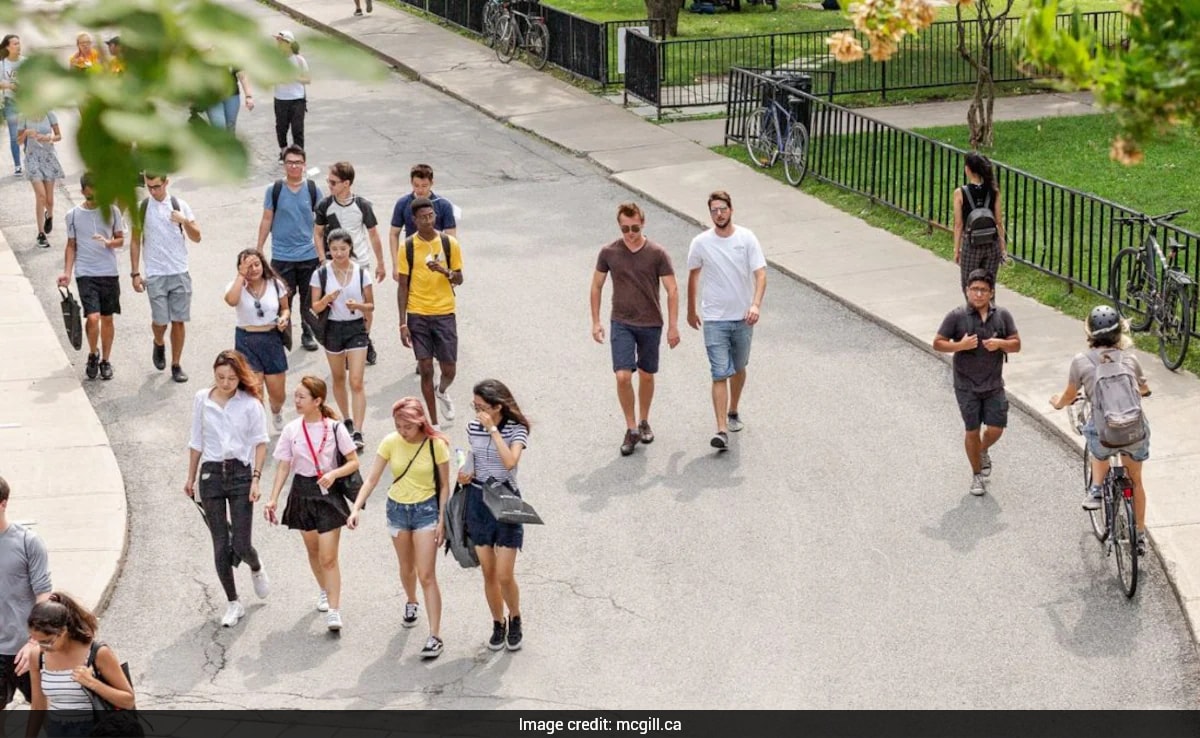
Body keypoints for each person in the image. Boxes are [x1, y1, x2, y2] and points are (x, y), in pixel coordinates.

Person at [347, 398, 451, 659]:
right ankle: (411, 601)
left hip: (426, 510)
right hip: (397, 510)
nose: (402, 431)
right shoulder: (390, 442)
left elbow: (445, 486)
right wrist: (356, 507)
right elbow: (372, 478)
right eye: (398, 425)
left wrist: (442, 519)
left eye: (407, 426)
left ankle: (435, 635)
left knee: (427, 573)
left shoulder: (436, 445)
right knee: (407, 568)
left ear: (419, 422)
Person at [1050, 305, 1152, 554]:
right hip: (1133, 430)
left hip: (1106, 432)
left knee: (1097, 439)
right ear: (1120, 332)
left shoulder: (1081, 362)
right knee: (1136, 480)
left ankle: (1096, 489)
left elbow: (1069, 395)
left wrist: (1057, 403)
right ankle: (1139, 536)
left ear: (1090, 334)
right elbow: (1144, 390)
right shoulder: (1131, 359)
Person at [264, 376, 360, 632]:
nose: (296, 401)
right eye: (295, 396)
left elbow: (353, 461)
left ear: (317, 401)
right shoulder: (291, 429)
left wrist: (333, 474)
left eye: (301, 397)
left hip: (328, 493)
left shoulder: (335, 428)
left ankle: (334, 609)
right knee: (314, 551)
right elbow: (284, 464)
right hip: (302, 491)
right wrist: (273, 497)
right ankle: (323, 589)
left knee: (329, 557)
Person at [186, 351, 273, 628]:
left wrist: (256, 479)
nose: (225, 383)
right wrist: (190, 478)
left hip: (240, 474)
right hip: (211, 473)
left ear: (240, 376)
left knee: (242, 543)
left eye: (232, 378)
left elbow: (260, 443)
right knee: (221, 544)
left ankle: (256, 566)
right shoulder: (202, 398)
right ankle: (233, 601)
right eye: (221, 377)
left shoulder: (250, 404)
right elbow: (196, 440)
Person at [590, 202, 680, 456]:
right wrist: (595, 321)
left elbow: (672, 289)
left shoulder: (657, 253)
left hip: (651, 322)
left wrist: (673, 326)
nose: (630, 233)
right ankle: (631, 429)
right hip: (622, 322)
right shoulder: (609, 252)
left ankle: (644, 420)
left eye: (635, 227)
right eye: (625, 228)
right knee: (623, 376)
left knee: (647, 375)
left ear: (643, 223)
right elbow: (596, 286)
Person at [685, 190, 766, 452]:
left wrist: (755, 304)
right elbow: (694, 275)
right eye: (714, 210)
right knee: (720, 372)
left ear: (731, 209)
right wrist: (690, 309)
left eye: (722, 209)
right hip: (714, 319)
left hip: (742, 317)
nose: (718, 214)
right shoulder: (700, 243)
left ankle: (733, 410)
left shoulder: (746, 238)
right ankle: (721, 429)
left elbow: (761, 275)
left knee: (739, 367)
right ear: (709, 213)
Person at [933, 268, 1021, 497]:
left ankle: (981, 451)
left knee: (996, 428)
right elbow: (938, 343)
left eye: (983, 290)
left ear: (991, 293)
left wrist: (1000, 343)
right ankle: (977, 474)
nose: (978, 294)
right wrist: (959, 346)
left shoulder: (1002, 316)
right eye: (974, 290)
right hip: (966, 385)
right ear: (966, 291)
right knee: (971, 430)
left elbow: (1017, 344)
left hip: (993, 384)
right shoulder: (956, 316)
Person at [462, 379, 530, 652]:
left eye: (481, 407)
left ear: (497, 406)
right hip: (478, 500)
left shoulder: (516, 429)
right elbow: (473, 457)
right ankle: (497, 622)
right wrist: (465, 471)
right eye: (474, 406)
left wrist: (492, 430)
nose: (477, 412)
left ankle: (515, 617)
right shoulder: (472, 427)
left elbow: (510, 462)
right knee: (488, 572)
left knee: (504, 574)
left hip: (505, 499)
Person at [26, 592, 135, 738]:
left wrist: (92, 683)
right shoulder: (37, 656)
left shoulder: (97, 653)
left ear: (63, 631)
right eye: (37, 641)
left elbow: (128, 700)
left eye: (47, 641)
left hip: (95, 730)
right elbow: (38, 706)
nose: (43, 647)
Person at [396, 197, 464, 428]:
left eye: (431, 216)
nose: (428, 221)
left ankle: (442, 391)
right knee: (425, 368)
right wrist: (402, 322)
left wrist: (444, 271)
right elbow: (402, 285)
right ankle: (433, 423)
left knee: (449, 369)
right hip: (418, 313)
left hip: (444, 312)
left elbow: (460, 278)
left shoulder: (449, 243)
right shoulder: (407, 247)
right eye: (423, 218)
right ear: (414, 221)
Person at [130, 173, 201, 383]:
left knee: (178, 320)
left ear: (166, 183)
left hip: (179, 271)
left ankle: (176, 364)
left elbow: (197, 236)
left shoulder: (180, 205)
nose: (153, 191)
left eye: (157, 186)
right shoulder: (142, 208)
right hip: (155, 273)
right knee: (160, 321)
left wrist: (185, 221)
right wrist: (135, 273)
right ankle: (159, 342)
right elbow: (135, 241)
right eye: (149, 187)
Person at [315, 161, 386, 365]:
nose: (329, 185)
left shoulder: (362, 205)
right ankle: (345, 344)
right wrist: (322, 259)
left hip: (360, 264)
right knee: (338, 306)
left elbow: (373, 235)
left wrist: (381, 263)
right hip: (334, 265)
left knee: (364, 307)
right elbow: (318, 233)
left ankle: (363, 340)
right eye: (328, 181)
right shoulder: (325, 205)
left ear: (346, 183)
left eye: (333, 182)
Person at [56, 173, 125, 381]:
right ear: (82, 193)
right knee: (93, 317)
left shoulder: (112, 211)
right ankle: (92, 354)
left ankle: (105, 359)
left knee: (107, 317)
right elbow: (71, 245)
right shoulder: (73, 215)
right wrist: (67, 273)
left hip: (108, 271)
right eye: (89, 197)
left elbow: (120, 240)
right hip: (85, 272)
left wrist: (107, 242)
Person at [310, 229, 374, 452]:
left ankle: (358, 429)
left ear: (350, 248)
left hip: (355, 328)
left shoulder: (360, 272)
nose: (338, 253)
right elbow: (315, 306)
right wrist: (328, 299)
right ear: (329, 249)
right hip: (332, 329)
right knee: (338, 378)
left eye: (343, 249)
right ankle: (346, 419)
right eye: (334, 249)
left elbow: (370, 305)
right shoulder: (321, 274)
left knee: (356, 380)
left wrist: (357, 306)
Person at [256, 144, 324, 351]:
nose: (294, 166)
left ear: (304, 165)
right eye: (290, 162)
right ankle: (283, 334)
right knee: (283, 297)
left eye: (298, 163)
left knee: (308, 298)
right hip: (282, 255)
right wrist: (259, 247)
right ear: (284, 165)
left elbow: (321, 224)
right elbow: (267, 219)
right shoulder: (274, 190)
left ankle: (307, 332)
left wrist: (323, 253)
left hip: (308, 254)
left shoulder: (313, 189)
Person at [0, 476, 52, 720]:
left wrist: (34, 642)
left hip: (27, 648)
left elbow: (44, 593)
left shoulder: (27, 541)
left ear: (3, 504)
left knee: (46, 710)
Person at [224, 249, 291, 432]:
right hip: (246, 339)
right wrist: (241, 276)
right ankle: (258, 430)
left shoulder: (275, 284)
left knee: (278, 395)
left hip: (271, 338)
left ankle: (276, 412)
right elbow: (231, 300)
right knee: (254, 392)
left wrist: (284, 318)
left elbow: (285, 308)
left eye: (256, 264)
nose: (253, 269)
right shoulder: (236, 285)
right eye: (247, 266)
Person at [389, 163, 457, 282]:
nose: (420, 190)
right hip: (411, 259)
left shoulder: (443, 205)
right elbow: (394, 234)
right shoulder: (403, 203)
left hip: (436, 261)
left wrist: (451, 268)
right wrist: (396, 264)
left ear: (432, 183)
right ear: (411, 182)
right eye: (416, 185)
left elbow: (451, 237)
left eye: (424, 186)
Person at [953, 152, 1007, 291]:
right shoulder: (993, 190)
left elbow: (958, 225)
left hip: (971, 245)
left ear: (968, 170)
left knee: (969, 285)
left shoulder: (960, 193)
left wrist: (957, 249)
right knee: (989, 286)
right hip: (992, 244)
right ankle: (989, 311)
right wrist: (1002, 248)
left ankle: (975, 312)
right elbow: (999, 222)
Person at [15, 111, 62, 248]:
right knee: (41, 197)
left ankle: (50, 215)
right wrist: (25, 134)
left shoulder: (50, 114)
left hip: (49, 158)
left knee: (49, 200)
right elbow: (17, 141)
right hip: (32, 159)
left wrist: (48, 138)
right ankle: (41, 234)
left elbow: (59, 136)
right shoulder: (23, 116)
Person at [272, 31, 310, 158]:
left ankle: (299, 154)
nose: (278, 43)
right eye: (277, 41)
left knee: (297, 128)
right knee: (281, 127)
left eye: (280, 41)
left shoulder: (299, 60)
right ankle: (283, 150)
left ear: (288, 44)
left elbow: (307, 80)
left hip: (297, 99)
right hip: (281, 98)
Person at [0, 34, 23, 175]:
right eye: (15, 44)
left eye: (19, 43)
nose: (18, 46)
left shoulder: (26, 62)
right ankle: (17, 165)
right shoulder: (2, 63)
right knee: (14, 135)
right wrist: (9, 85)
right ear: (7, 47)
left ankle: (30, 162)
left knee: (28, 134)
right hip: (10, 103)